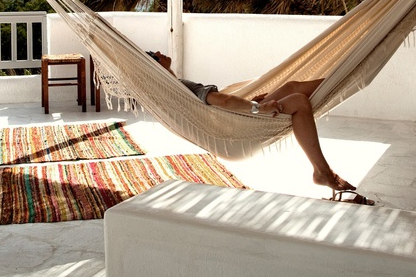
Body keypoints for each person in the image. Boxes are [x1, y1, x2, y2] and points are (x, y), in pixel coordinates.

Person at [147, 51, 375, 205]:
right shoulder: (180, 86)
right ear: (155, 65)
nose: (160, 52)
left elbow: (215, 110)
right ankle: (323, 172)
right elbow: (223, 102)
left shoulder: (170, 90)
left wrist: (252, 104)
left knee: (291, 87)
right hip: (235, 133)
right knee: (298, 101)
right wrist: (257, 108)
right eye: (156, 55)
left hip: (230, 127)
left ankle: (349, 76)